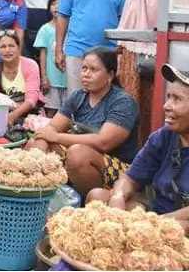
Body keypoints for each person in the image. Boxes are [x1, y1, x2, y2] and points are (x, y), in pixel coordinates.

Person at [88, 64, 189, 233]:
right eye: (168, 97)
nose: (166, 106)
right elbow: (130, 178)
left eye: (177, 99)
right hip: (159, 212)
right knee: (98, 197)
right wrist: (118, 197)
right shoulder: (164, 135)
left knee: (178, 229)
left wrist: (154, 223)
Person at [27, 47, 139, 197]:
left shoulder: (122, 102)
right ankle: (40, 197)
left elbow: (104, 142)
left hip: (122, 170)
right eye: (84, 68)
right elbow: (52, 128)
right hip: (83, 156)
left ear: (110, 75)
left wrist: (57, 137)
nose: (86, 74)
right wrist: (38, 150)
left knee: (77, 154)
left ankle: (87, 205)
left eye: (93, 70)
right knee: (34, 144)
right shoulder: (78, 96)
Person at [0, 30, 43, 125]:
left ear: (18, 47)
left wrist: (13, 116)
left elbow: (31, 100)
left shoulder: (31, 65)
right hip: (2, 114)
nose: (7, 50)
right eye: (3, 47)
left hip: (30, 114)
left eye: (11, 46)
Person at [32, 0, 66, 117]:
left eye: (60, 4)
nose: (57, 7)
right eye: (53, 4)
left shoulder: (72, 29)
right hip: (52, 80)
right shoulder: (45, 29)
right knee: (51, 111)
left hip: (69, 80)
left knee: (69, 114)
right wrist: (44, 77)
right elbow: (43, 54)